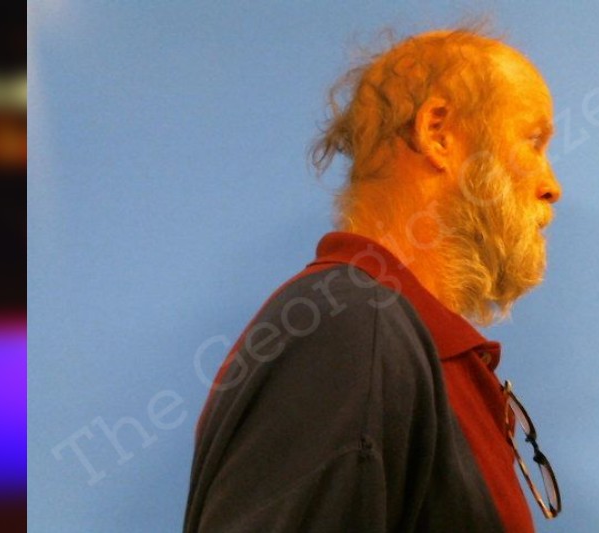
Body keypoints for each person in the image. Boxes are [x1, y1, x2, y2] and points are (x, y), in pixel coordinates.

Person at [184, 27, 562, 533]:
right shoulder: (350, 331)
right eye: (533, 141)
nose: (551, 185)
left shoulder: (382, 336)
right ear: (438, 132)